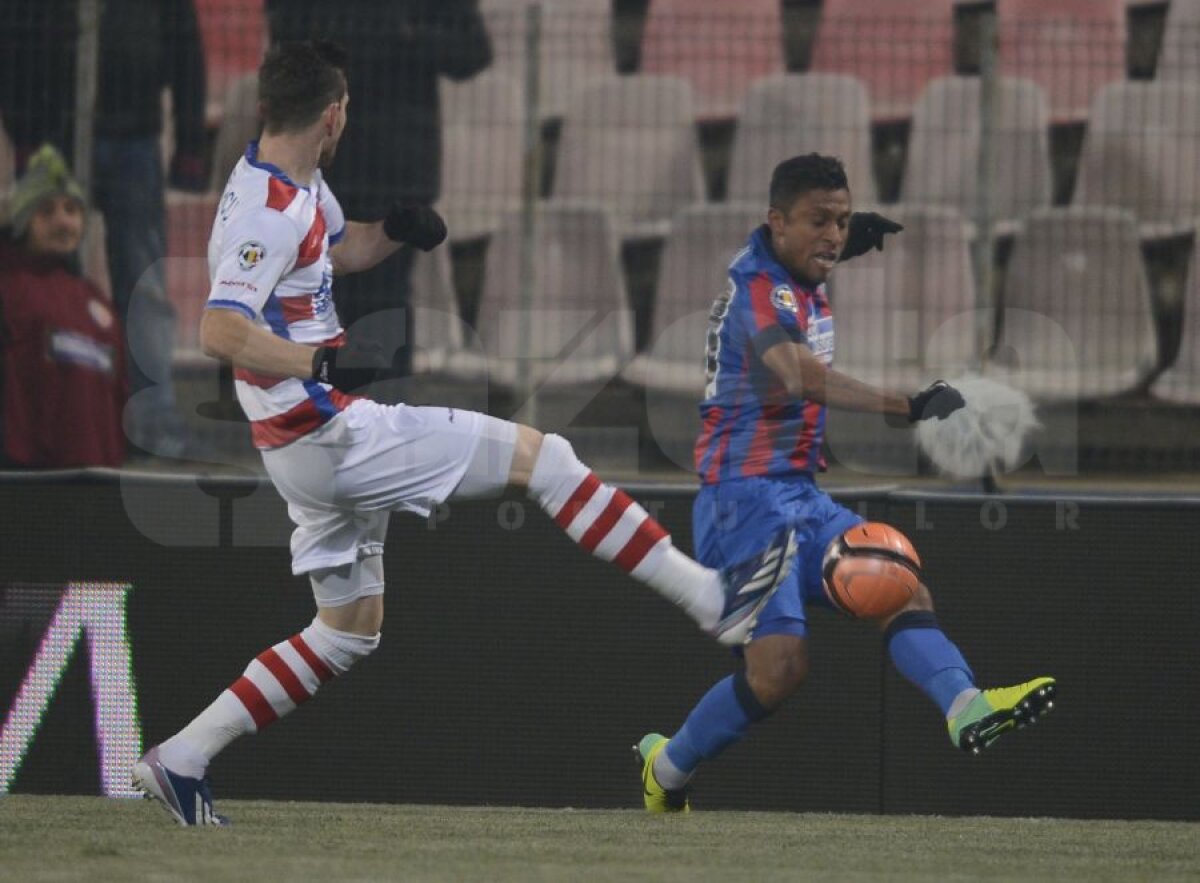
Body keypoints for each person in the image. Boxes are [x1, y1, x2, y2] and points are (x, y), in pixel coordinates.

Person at [131, 41, 794, 826]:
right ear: (335, 112)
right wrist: (320, 360)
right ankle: (711, 598)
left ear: (270, 108)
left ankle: (182, 757)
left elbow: (332, 254)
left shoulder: (294, 182)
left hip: (296, 447)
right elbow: (218, 327)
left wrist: (395, 233)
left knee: (348, 630)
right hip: (328, 435)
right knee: (547, 458)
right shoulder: (265, 209)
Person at [634, 153, 1058, 813]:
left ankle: (966, 705)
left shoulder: (795, 270)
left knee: (900, 581)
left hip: (798, 493)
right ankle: (666, 769)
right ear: (776, 221)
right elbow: (797, 373)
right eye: (818, 221)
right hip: (739, 503)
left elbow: (803, 271)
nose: (833, 234)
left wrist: (841, 245)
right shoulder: (757, 290)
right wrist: (906, 406)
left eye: (842, 219)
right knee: (778, 671)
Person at [0, 0, 210, 459]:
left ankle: (150, 425)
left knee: (144, 289)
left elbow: (185, 46)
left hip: (132, 136)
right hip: (54, 134)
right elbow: (11, 36)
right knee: (46, 291)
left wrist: (191, 140)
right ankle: (56, 416)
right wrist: (26, 132)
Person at [266, 0, 492, 387]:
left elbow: (471, 52)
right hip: (327, 157)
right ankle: (331, 423)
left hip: (395, 165)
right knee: (320, 297)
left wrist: (403, 36)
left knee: (384, 300)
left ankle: (385, 422)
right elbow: (285, 33)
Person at [0, 144, 125, 468]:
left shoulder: (96, 300)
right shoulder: (8, 289)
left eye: (71, 210)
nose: (63, 221)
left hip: (96, 479)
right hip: (25, 480)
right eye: (47, 211)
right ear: (24, 221)